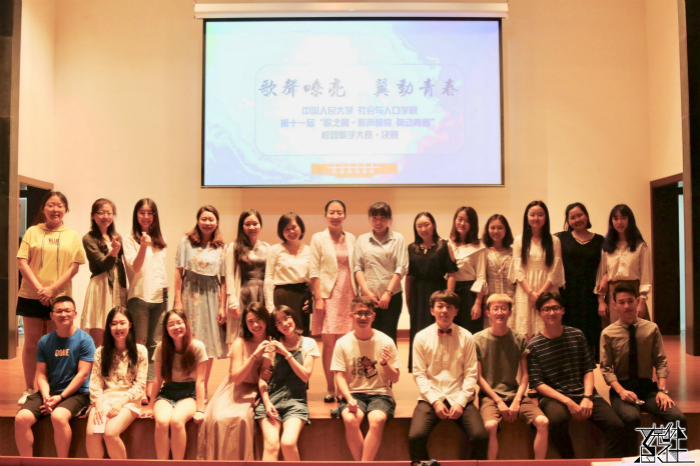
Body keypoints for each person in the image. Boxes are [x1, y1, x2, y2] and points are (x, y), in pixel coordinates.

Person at [527, 292, 630, 459]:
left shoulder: (577, 335)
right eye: (546, 309)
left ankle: (606, 462)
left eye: (555, 308)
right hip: (554, 398)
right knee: (557, 420)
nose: (551, 312)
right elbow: (537, 383)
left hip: (584, 393)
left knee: (616, 425)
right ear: (540, 313)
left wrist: (587, 397)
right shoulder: (534, 345)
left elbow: (588, 369)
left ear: (563, 310)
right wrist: (567, 401)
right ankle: (571, 461)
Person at [600, 283, 687, 456]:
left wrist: (662, 390)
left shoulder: (651, 328)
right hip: (622, 389)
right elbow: (606, 368)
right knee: (631, 418)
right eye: (621, 302)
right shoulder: (608, 333)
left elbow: (660, 361)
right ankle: (632, 461)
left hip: (647, 389)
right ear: (615, 305)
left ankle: (676, 460)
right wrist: (621, 391)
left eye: (630, 301)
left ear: (637, 301)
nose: (626, 306)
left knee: (678, 419)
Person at [16, 192, 86, 405]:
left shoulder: (72, 235)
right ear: (44, 208)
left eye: (59, 205)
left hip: (60, 298)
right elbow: (22, 262)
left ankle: (52, 388)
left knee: (55, 344)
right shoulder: (32, 232)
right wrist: (41, 289)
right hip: (31, 295)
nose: (55, 209)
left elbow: (74, 267)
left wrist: (52, 290)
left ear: (66, 209)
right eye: (51, 205)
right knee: (31, 343)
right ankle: (30, 389)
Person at [409, 290, 488, 463]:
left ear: (456, 311)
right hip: (431, 397)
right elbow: (419, 374)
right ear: (432, 310)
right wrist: (435, 402)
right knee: (416, 436)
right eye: (440, 306)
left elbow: (471, 373)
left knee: (480, 436)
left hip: (460, 396)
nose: (444, 310)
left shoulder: (467, 336)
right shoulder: (421, 337)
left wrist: (461, 402)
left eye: (449, 307)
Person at [14, 296, 95, 457]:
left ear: (75, 314)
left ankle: (62, 462)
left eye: (67, 311)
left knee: (58, 417)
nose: (63, 314)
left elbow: (82, 374)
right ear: (52, 315)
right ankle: (27, 462)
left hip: (77, 394)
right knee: (21, 419)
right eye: (59, 311)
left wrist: (60, 397)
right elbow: (41, 374)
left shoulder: (85, 340)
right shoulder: (45, 341)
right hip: (50, 393)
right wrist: (46, 397)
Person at [474, 293, 549, 460]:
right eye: (495, 308)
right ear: (488, 313)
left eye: (503, 308)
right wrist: (499, 401)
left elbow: (525, 375)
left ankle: (539, 464)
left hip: (515, 393)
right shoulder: (477, 339)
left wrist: (517, 400)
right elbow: (479, 378)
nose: (499, 312)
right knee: (490, 426)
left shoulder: (519, 338)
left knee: (543, 422)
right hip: (489, 396)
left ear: (509, 312)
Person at [197, 302, 271, 460]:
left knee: (242, 418)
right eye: (250, 321)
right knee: (218, 418)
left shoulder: (273, 342)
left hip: (257, 389)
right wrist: (254, 356)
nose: (255, 325)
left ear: (266, 319)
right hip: (234, 388)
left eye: (258, 320)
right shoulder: (240, 343)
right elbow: (237, 379)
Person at [332, 296, 400, 462]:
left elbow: (395, 378)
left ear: (373, 316)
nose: (363, 317)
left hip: (381, 394)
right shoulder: (342, 343)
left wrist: (384, 363)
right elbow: (339, 376)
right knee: (350, 419)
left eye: (367, 313)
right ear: (351, 315)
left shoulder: (386, 341)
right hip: (353, 394)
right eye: (359, 313)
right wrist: (348, 398)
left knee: (377, 419)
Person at [174, 205, 227, 395]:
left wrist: (223, 306)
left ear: (217, 222)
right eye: (204, 219)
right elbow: (178, 271)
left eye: (211, 219)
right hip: (190, 294)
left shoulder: (221, 247)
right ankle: (186, 384)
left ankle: (202, 387)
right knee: (187, 339)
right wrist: (178, 300)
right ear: (198, 220)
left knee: (208, 342)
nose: (207, 223)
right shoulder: (185, 242)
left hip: (211, 296)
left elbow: (224, 279)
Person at [256, 305, 320, 461]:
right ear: (276, 327)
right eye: (279, 322)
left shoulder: (308, 343)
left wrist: (286, 353)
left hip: (296, 400)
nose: (284, 324)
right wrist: (267, 403)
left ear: (293, 318)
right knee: (271, 444)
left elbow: (305, 376)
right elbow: (262, 379)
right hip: (272, 399)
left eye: (286, 318)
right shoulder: (272, 345)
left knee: (288, 443)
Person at [141, 309, 207, 460]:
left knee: (177, 421)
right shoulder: (161, 347)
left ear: (186, 324)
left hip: (189, 392)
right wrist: (150, 406)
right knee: (162, 421)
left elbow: (200, 380)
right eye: (171, 324)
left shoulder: (197, 346)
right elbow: (158, 379)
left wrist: (200, 410)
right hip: (168, 391)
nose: (176, 327)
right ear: (166, 328)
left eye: (179, 322)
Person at [309, 199, 357, 403]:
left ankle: (344, 388)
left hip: (349, 295)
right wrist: (319, 299)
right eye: (331, 212)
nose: (335, 216)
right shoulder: (318, 238)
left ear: (345, 215)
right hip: (328, 296)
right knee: (329, 345)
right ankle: (330, 388)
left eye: (339, 212)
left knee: (346, 345)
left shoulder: (352, 238)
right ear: (325, 215)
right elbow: (314, 271)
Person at [86, 306, 147, 459]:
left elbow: (140, 385)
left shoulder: (140, 351)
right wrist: (98, 405)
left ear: (130, 324)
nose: (118, 327)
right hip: (105, 399)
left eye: (122, 323)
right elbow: (95, 382)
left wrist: (121, 403)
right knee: (93, 433)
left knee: (110, 433)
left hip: (128, 400)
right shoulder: (101, 352)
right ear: (109, 327)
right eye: (113, 324)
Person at [123, 198, 168, 402]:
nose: (146, 216)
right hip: (139, 296)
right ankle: (138, 387)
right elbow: (136, 267)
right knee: (139, 344)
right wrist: (142, 245)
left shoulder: (161, 240)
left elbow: (161, 270)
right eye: (142, 212)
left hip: (160, 295)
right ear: (136, 215)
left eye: (150, 213)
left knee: (155, 344)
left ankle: (151, 386)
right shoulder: (129, 239)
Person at [406, 212, 458, 370]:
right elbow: (409, 278)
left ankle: (440, 368)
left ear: (433, 225)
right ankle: (420, 369)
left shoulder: (444, 245)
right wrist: (408, 302)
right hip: (418, 295)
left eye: (426, 224)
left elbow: (452, 274)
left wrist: (448, 300)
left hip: (438, 292)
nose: (423, 229)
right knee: (419, 332)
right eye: (419, 226)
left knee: (438, 331)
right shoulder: (411, 248)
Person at [354, 201, 408, 344]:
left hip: (392, 298)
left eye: (382, 218)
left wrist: (388, 293)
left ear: (389, 218)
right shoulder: (362, 240)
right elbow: (357, 267)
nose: (378, 222)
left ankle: (389, 361)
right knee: (368, 337)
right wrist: (367, 292)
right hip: (368, 299)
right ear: (370, 218)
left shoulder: (398, 239)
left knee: (389, 338)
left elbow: (401, 267)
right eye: (375, 218)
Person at [555, 203, 604, 359]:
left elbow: (606, 267)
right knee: (568, 334)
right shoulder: (560, 238)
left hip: (591, 295)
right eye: (572, 217)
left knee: (592, 334)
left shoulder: (600, 240)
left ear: (587, 216)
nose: (577, 220)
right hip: (568, 295)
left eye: (580, 215)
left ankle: (592, 369)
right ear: (568, 220)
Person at [509, 201, 565, 339]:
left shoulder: (554, 241)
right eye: (532, 214)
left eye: (540, 214)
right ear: (527, 217)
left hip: (548, 288)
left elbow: (555, 269)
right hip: (525, 290)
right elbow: (517, 268)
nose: (536, 218)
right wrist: (531, 293)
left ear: (546, 217)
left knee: (548, 328)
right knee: (525, 332)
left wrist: (539, 295)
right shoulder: (519, 240)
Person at [81, 198, 128, 349]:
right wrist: (113, 251)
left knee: (117, 334)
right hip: (100, 286)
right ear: (93, 215)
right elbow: (102, 264)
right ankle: (96, 364)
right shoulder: (89, 238)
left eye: (109, 213)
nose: (105, 216)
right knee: (98, 336)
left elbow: (123, 265)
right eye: (101, 212)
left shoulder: (117, 236)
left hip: (117, 286)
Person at [596, 204, 652, 325]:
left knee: (637, 330)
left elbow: (645, 276)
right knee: (616, 331)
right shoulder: (607, 247)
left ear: (629, 220)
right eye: (615, 218)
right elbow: (601, 274)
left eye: (623, 218)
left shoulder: (641, 246)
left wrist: (642, 301)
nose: (619, 222)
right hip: (613, 294)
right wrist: (601, 301)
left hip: (634, 291)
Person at [224, 209, 270, 344]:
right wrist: (232, 301)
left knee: (262, 331)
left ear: (260, 225)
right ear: (242, 226)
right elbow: (229, 274)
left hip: (262, 295)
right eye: (247, 224)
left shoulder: (267, 247)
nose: (251, 227)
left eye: (255, 223)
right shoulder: (234, 247)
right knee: (242, 333)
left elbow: (270, 275)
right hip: (243, 295)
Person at [264, 213, 312, 336]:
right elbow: (268, 278)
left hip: (302, 297)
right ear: (281, 231)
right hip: (282, 296)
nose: (291, 232)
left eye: (294, 227)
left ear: (301, 227)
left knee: (301, 334)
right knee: (282, 334)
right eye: (286, 229)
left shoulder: (310, 250)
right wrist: (270, 306)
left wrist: (312, 298)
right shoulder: (275, 250)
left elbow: (313, 278)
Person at [449, 206, 487, 334]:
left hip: (469, 293)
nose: (462, 223)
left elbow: (481, 277)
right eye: (460, 219)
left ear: (473, 224)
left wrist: (477, 303)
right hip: (450, 291)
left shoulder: (479, 247)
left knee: (470, 331)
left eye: (467, 221)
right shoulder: (447, 244)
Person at [482, 214, 516, 327]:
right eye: (492, 228)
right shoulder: (483, 252)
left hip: (511, 302)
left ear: (506, 230)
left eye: (500, 228)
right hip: (490, 304)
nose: (496, 231)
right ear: (487, 230)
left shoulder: (514, 252)